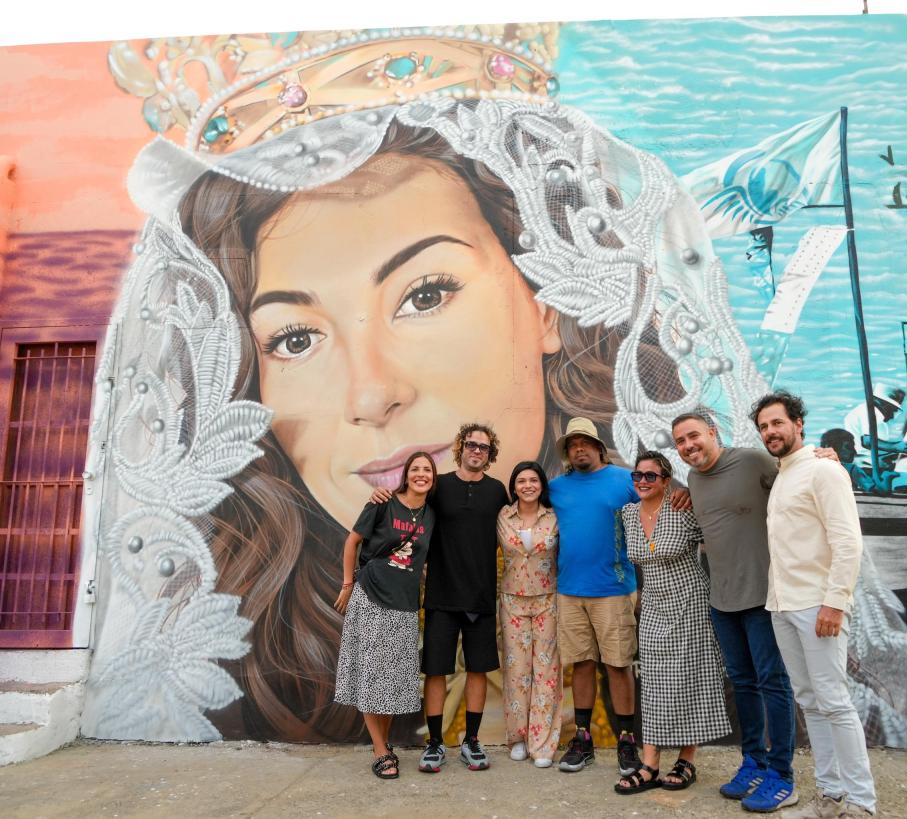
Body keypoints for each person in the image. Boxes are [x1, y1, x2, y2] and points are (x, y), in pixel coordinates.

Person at [94, 30, 770, 742]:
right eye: (295, 339)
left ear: (547, 299)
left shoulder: (644, 508)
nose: (369, 394)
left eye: (425, 294)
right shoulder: (229, 652)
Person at [753, 391, 878, 818]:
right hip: (782, 606)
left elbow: (847, 542)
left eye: (777, 423)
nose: (771, 432)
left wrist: (835, 603)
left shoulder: (823, 471)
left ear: (798, 423)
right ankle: (830, 797)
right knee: (809, 700)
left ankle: (861, 803)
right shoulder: (784, 474)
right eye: (764, 427)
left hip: (817, 606)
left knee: (834, 701)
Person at [672, 411, 799, 812]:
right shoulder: (693, 479)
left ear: (713, 432)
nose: (688, 445)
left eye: (694, 435)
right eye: (680, 441)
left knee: (773, 684)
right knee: (743, 685)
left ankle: (782, 775)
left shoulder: (752, 460)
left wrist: (823, 458)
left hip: (763, 597)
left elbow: (796, 478)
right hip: (722, 601)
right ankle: (754, 763)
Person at [372, 424, 508, 773]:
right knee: (436, 671)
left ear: (490, 455)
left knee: (478, 669)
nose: (476, 450)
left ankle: (471, 742)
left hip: (480, 596)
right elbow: (409, 504)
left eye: (484, 447)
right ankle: (434, 744)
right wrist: (382, 496)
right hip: (440, 596)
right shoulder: (440, 486)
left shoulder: (496, 492)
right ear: (461, 447)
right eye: (472, 444)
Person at [614, 451, 730, 795]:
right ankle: (649, 764)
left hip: (690, 600)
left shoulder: (683, 509)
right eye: (638, 476)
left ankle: (686, 759)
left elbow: (720, 532)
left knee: (691, 677)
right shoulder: (629, 513)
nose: (643, 482)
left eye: (651, 476)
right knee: (653, 681)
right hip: (652, 603)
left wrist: (696, 495)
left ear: (666, 481)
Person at [332, 451, 437, 780]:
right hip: (372, 597)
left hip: (405, 604)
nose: (421, 474)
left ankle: (385, 742)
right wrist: (348, 583)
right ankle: (380, 750)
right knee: (370, 675)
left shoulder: (431, 515)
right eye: (415, 469)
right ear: (406, 474)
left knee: (392, 680)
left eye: (427, 470)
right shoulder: (383, 502)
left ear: (433, 478)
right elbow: (352, 542)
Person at [547, 417, 641, 776]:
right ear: (568, 452)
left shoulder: (624, 480)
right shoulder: (556, 487)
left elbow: (655, 506)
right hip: (569, 591)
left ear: (599, 447)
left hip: (614, 591)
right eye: (573, 444)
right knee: (582, 664)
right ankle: (583, 740)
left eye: (585, 442)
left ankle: (627, 740)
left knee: (618, 665)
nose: (579, 449)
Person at [496, 461, 561, 768]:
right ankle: (518, 738)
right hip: (512, 601)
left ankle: (543, 743)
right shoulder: (503, 516)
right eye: (521, 480)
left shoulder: (554, 516)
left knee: (545, 673)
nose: (527, 485)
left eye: (533, 480)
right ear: (514, 486)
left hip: (548, 599)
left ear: (541, 485)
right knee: (517, 672)